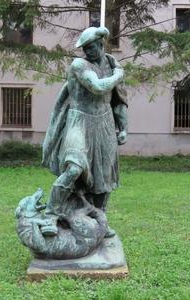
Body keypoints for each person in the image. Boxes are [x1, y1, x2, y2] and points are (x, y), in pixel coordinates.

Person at [41, 26, 128, 237]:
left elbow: (118, 101)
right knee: (73, 168)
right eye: (85, 48)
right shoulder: (79, 65)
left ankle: (99, 219)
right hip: (79, 121)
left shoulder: (111, 64)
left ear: (101, 44)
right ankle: (51, 215)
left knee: (104, 177)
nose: (87, 51)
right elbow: (98, 87)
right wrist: (119, 74)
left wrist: (123, 127)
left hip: (105, 122)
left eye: (91, 47)